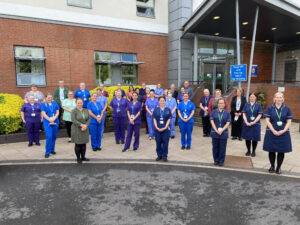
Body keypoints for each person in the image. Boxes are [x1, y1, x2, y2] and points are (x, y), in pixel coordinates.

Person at [263, 92, 293, 174]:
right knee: (271, 150)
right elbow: (267, 120)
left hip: (283, 133)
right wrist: (273, 130)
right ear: (274, 98)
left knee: (281, 151)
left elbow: (289, 121)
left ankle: (278, 167)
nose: (279, 99)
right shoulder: (270, 108)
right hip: (271, 132)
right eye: (277, 97)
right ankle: (272, 166)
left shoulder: (287, 108)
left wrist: (283, 130)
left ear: (283, 99)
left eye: (280, 97)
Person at [210, 98, 231, 166]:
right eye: (219, 103)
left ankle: (221, 160)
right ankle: (216, 160)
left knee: (222, 148)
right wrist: (216, 130)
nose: (220, 104)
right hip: (215, 132)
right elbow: (212, 121)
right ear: (217, 104)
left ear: (224, 104)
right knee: (215, 147)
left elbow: (228, 123)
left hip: (223, 133)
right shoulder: (214, 112)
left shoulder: (227, 113)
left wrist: (222, 130)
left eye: (222, 103)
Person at [241, 92, 263, 157]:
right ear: (249, 97)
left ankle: (253, 151)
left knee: (254, 138)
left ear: (255, 98)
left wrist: (254, 122)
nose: (252, 98)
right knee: (247, 138)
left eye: (253, 97)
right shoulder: (246, 105)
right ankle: (248, 150)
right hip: (247, 124)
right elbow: (244, 114)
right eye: (251, 97)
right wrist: (246, 122)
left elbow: (260, 115)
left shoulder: (258, 105)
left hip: (255, 124)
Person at [71, 98, 91, 164]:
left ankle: (83, 157)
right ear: (76, 103)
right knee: (78, 144)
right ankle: (78, 158)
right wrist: (81, 125)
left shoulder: (85, 110)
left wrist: (86, 125)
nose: (80, 104)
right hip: (77, 129)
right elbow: (73, 120)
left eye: (81, 103)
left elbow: (89, 119)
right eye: (78, 103)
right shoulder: (74, 111)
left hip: (85, 129)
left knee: (83, 144)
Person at [153, 96, 172, 162]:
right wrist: (156, 127)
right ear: (158, 101)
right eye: (160, 100)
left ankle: (164, 156)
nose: (162, 102)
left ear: (165, 101)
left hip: (165, 130)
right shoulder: (156, 109)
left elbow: (169, 119)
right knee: (158, 143)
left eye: (163, 100)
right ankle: (159, 155)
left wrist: (165, 127)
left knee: (165, 143)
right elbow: (154, 119)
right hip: (157, 130)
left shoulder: (168, 109)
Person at [41, 93, 60, 158]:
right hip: (47, 123)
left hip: (55, 121)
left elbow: (58, 112)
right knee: (49, 136)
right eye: (48, 97)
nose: (49, 99)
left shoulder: (55, 103)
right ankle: (47, 152)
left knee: (54, 136)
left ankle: (52, 149)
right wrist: (50, 120)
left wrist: (54, 119)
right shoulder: (43, 104)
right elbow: (43, 114)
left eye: (51, 97)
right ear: (46, 98)